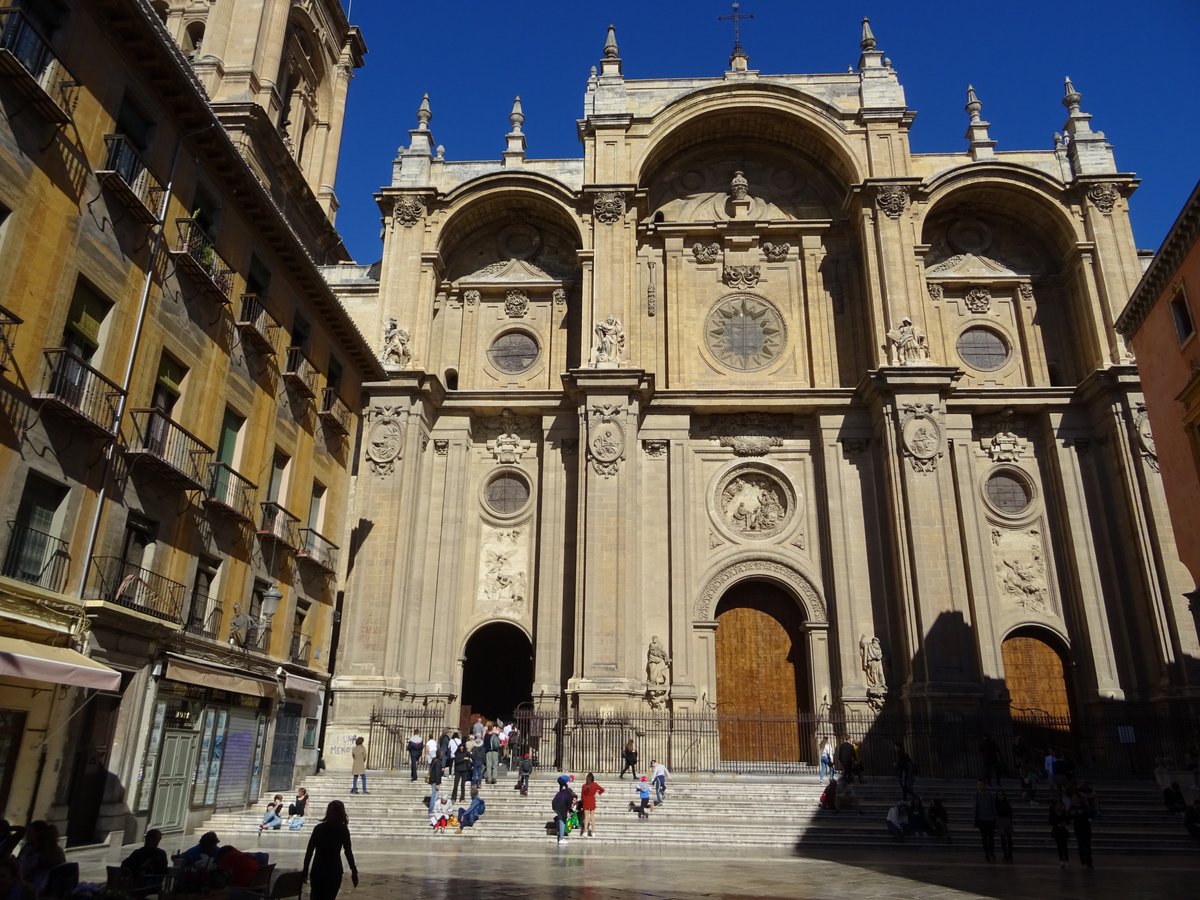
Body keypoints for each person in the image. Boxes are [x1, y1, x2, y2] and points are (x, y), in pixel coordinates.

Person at [303, 800, 358, 900]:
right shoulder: (343, 830)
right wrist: (353, 870)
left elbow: (310, 850)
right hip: (334, 869)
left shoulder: (319, 828)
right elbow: (348, 851)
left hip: (318, 868)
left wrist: (305, 869)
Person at [17, 821, 64, 894]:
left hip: (37, 889)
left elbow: (22, 869)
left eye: (29, 832)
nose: (27, 835)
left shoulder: (40, 856)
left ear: (38, 836)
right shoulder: (58, 851)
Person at [119, 829, 168, 894]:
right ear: (148, 839)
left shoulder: (160, 854)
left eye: (158, 839)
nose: (156, 841)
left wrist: (149, 868)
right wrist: (140, 868)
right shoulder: (138, 852)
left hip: (150, 883)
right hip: (136, 883)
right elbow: (125, 866)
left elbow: (162, 871)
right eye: (154, 839)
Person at [972, 779, 997, 862]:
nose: (980, 786)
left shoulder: (990, 795)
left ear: (985, 785)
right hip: (981, 819)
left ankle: (992, 852)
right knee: (984, 837)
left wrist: (995, 818)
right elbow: (975, 808)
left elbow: (993, 807)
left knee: (991, 837)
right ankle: (986, 853)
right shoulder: (975, 795)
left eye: (981, 784)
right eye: (978, 785)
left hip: (990, 819)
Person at [1069, 790, 1094, 869]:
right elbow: (1069, 816)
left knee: (1087, 845)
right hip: (1078, 827)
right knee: (1080, 844)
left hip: (1085, 827)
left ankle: (1089, 861)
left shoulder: (1085, 807)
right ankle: (1083, 857)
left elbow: (1090, 814)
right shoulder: (1072, 807)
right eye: (1074, 798)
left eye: (1076, 798)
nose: (1075, 800)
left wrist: (1082, 813)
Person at [580, 772, 605, 837]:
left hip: (586, 801)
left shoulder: (584, 786)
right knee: (592, 817)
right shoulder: (595, 785)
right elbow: (602, 790)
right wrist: (597, 792)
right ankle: (593, 832)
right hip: (592, 801)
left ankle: (585, 832)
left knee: (586, 818)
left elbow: (582, 796)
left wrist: (582, 802)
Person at [552, 776, 575, 843]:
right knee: (562, 821)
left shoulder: (561, 792)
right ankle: (561, 838)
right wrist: (568, 811)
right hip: (560, 806)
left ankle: (559, 832)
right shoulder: (569, 795)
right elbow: (568, 805)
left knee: (559, 819)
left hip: (555, 806)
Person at [1049, 798, 1071, 867]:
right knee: (1059, 846)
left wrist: (1064, 823)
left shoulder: (1064, 812)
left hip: (1063, 830)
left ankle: (1067, 860)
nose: (1059, 805)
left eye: (1060, 804)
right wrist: (1056, 824)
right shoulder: (1052, 813)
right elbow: (1050, 822)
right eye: (1058, 804)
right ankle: (1061, 860)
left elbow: (1068, 821)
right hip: (1056, 830)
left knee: (1065, 846)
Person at [994, 789, 1014, 863]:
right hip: (1000, 821)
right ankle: (1005, 854)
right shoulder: (996, 804)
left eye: (1002, 795)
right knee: (1003, 839)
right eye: (999, 795)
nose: (1001, 796)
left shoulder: (1007, 804)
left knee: (1009, 839)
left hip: (1007, 821)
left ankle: (1010, 854)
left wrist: (1009, 821)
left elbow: (1010, 813)